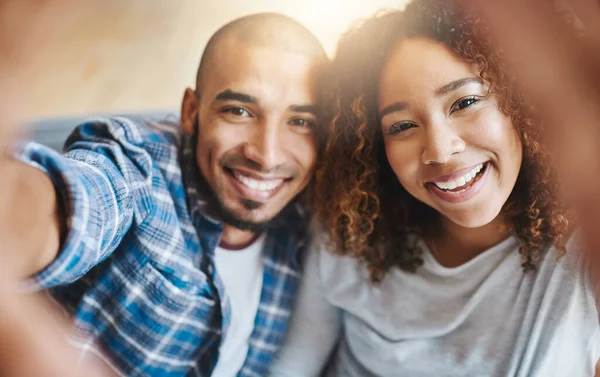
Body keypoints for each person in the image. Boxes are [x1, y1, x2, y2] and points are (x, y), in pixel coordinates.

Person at [269, 1, 600, 376]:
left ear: (523, 102)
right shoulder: (352, 232)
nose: (440, 151)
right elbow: (293, 367)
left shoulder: (581, 247)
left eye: (466, 102)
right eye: (402, 126)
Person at [1, 12, 327, 377]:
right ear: (191, 112)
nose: (267, 155)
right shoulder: (138, 165)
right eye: (239, 111)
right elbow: (70, 203)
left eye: (300, 122)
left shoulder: (312, 223)